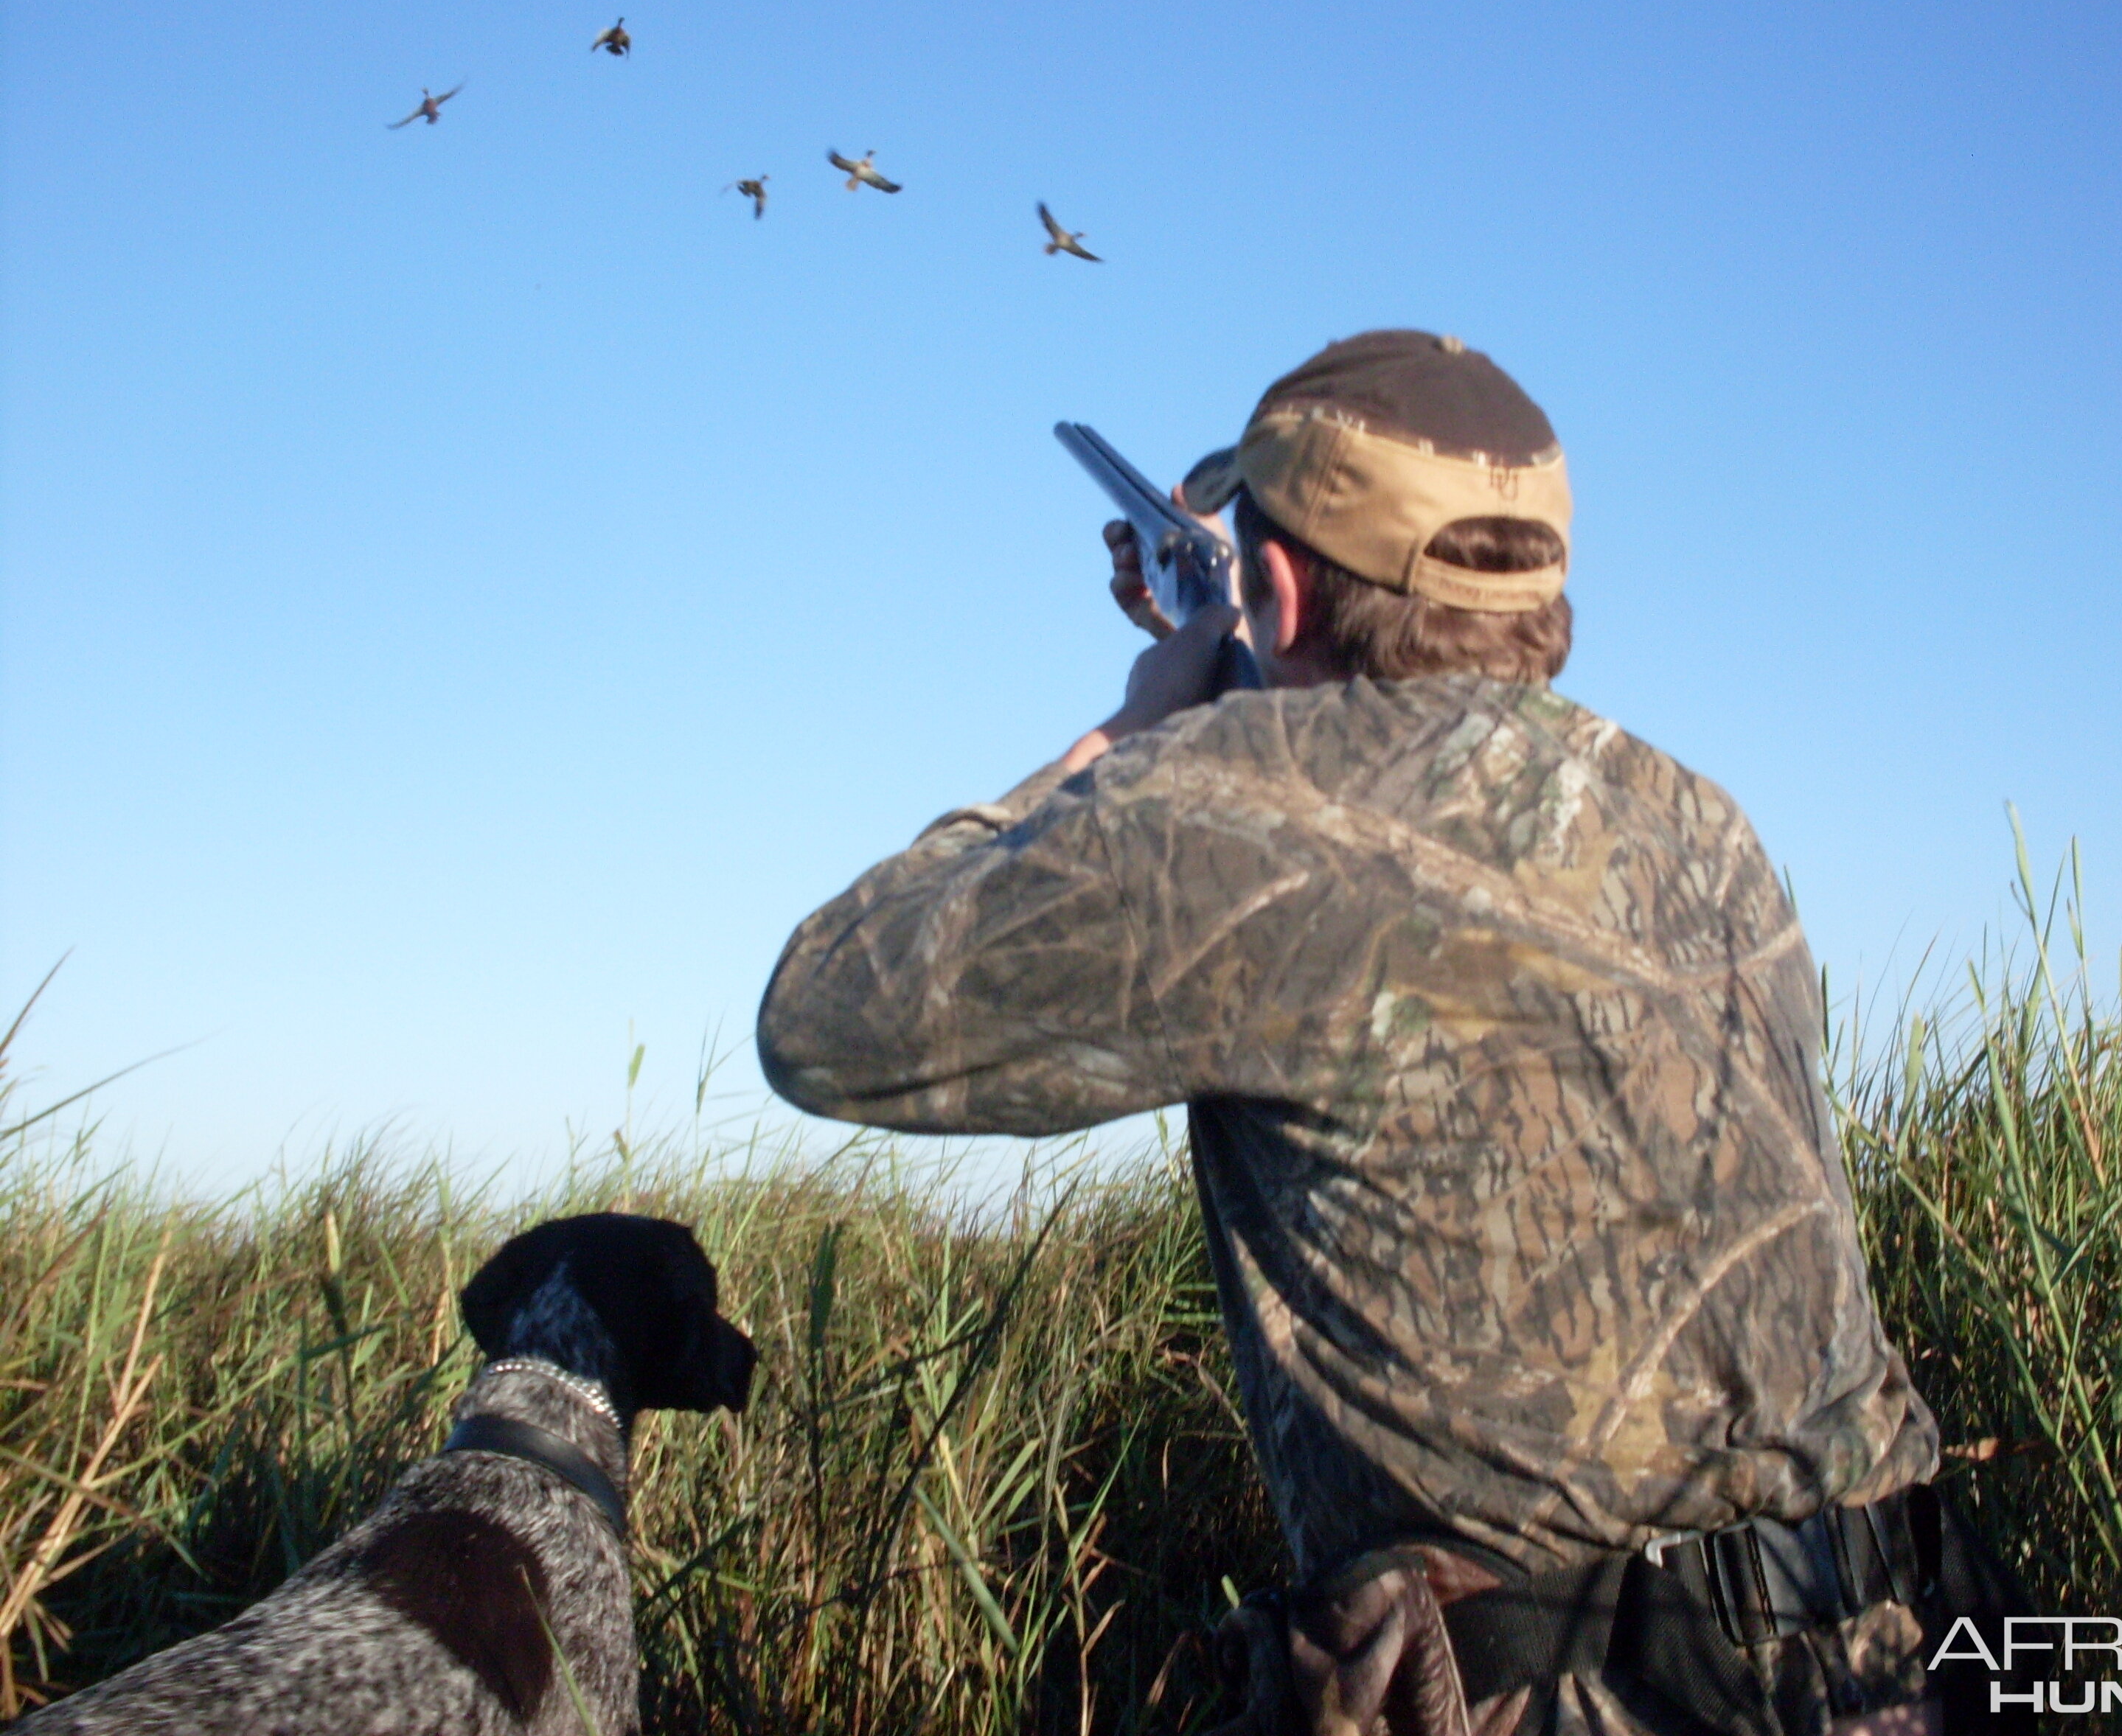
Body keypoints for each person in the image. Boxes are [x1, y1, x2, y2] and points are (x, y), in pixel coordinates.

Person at [758, 331, 2018, 1735]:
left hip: (1570, 1701)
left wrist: (1136, 729)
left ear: (1278, 588)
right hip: (1919, 1655)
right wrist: (1250, 681)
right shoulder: (1700, 822)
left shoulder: (1225, 805)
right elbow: (1404, 816)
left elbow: (827, 1014)